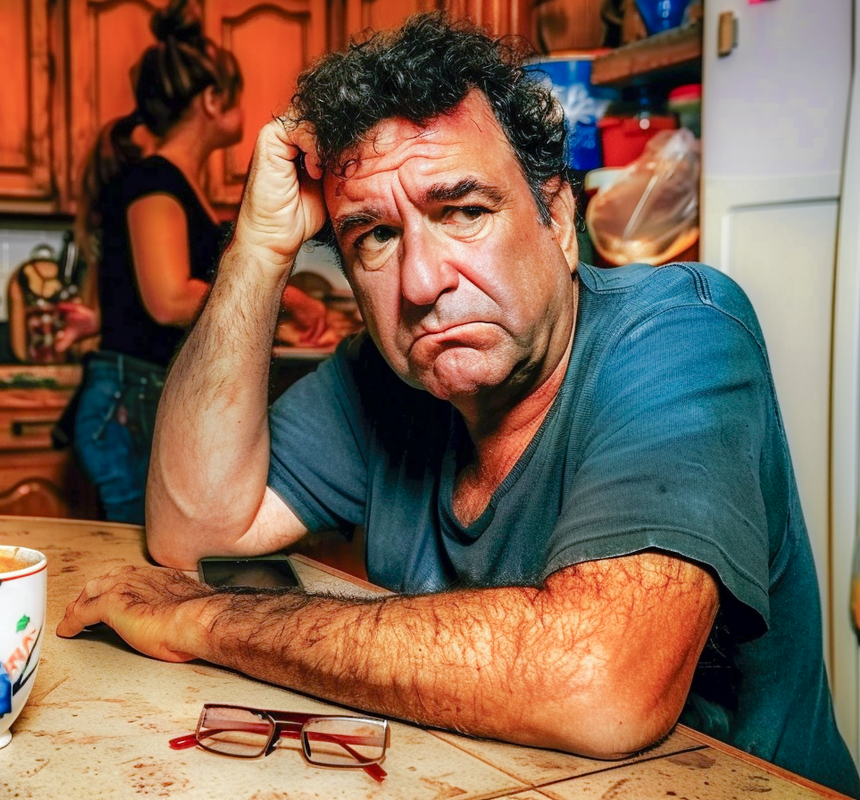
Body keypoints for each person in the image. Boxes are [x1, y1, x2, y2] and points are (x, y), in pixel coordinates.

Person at [56, 13, 860, 796]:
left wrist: (210, 619)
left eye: (465, 212)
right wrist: (261, 249)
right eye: (375, 236)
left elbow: (598, 682)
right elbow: (193, 531)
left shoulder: (681, 331)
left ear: (558, 218)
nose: (420, 282)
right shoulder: (384, 376)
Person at [54, 0, 332, 524]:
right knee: (154, 557)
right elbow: (167, 299)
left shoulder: (177, 184)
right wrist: (291, 301)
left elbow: (141, 295)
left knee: (163, 551)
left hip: (141, 394)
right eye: (236, 96)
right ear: (211, 100)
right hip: (131, 401)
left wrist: (102, 318)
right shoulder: (155, 180)